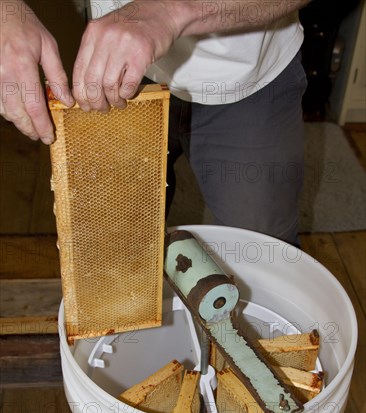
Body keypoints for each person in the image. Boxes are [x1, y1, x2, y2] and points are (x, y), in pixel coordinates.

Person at [0, 0, 310, 244]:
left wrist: (171, 9)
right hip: (118, 71)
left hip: (250, 77)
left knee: (262, 254)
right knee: (117, 246)